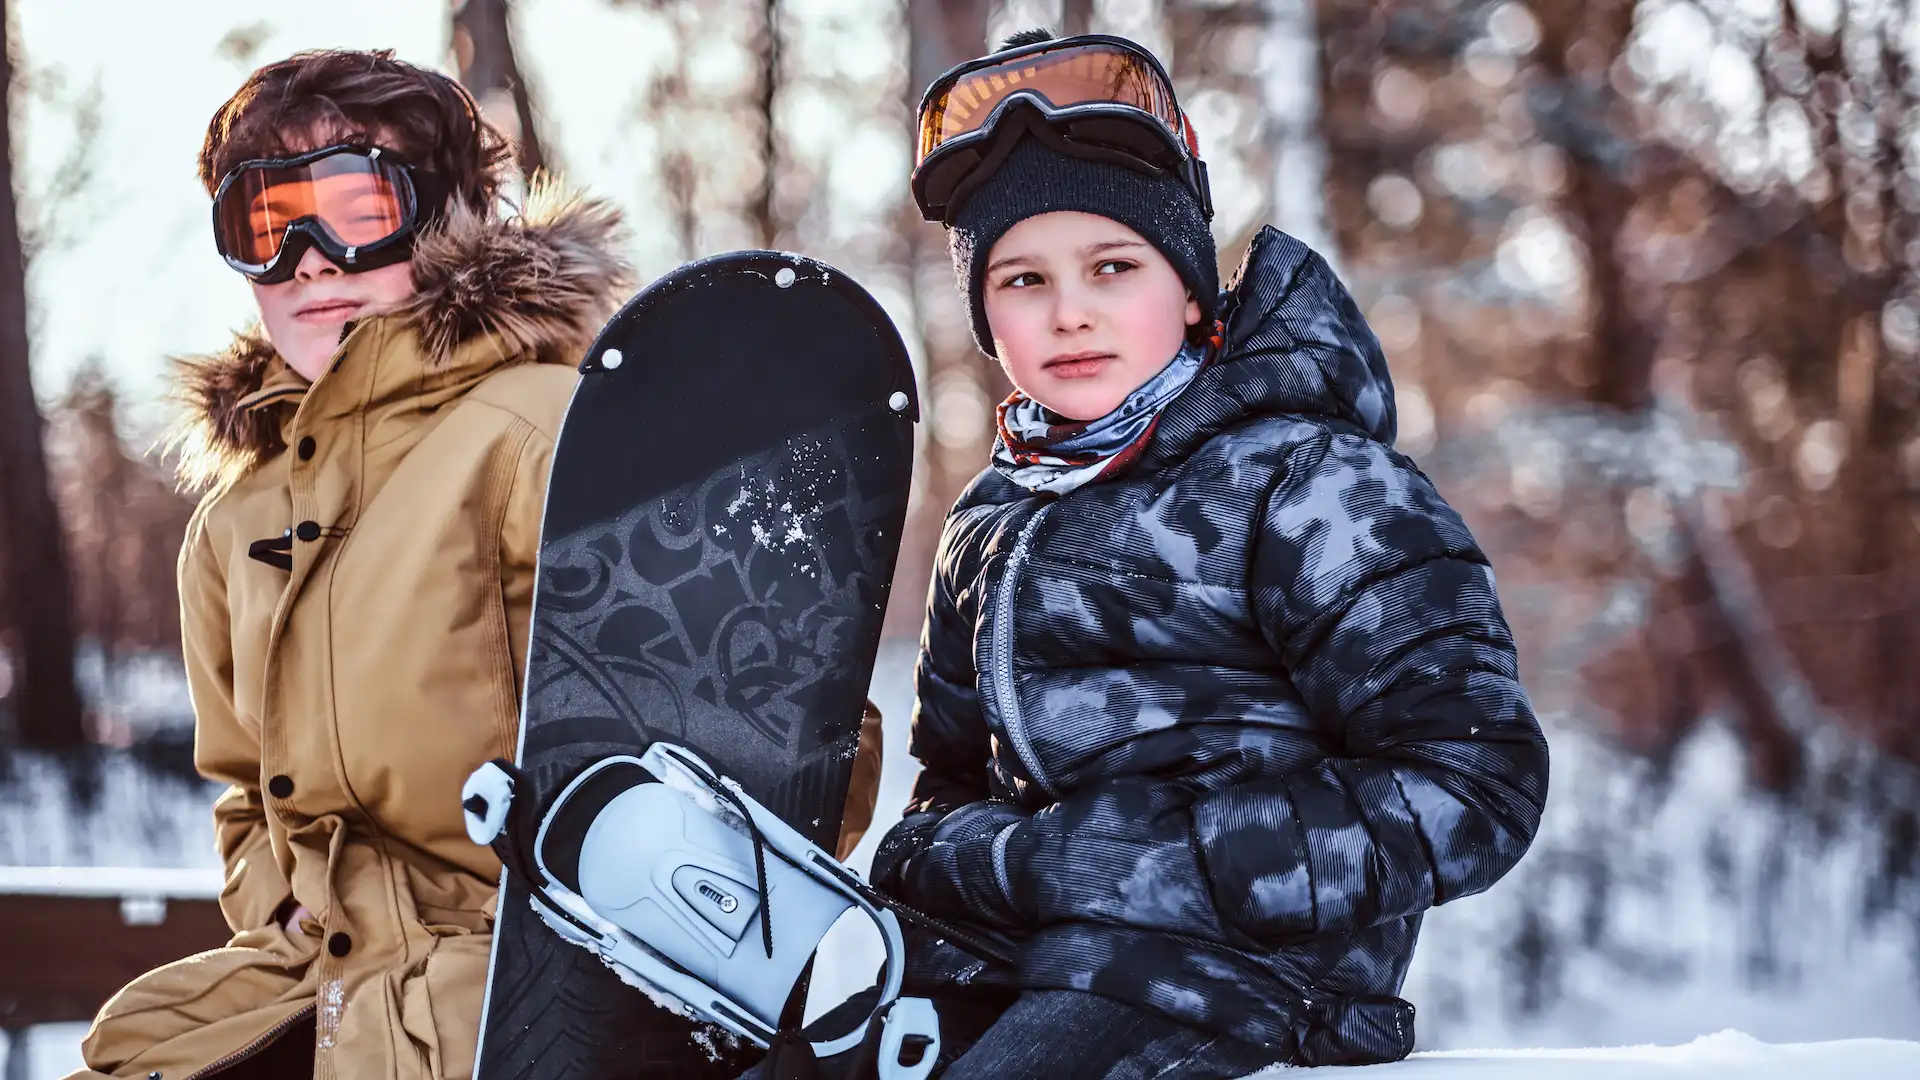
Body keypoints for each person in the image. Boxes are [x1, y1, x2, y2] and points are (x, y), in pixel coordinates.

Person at [70, 49, 883, 1080]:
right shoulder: (235, 523)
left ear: (449, 217)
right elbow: (241, 787)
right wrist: (282, 902)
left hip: (532, 994)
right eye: (266, 224)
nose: (310, 260)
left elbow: (799, 738)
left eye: (355, 208)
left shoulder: (551, 436)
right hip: (314, 984)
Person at [847, 29, 1548, 1079]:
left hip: (1243, 980)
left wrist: (1173, 864)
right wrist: (954, 857)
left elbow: (1477, 779)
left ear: (1187, 289)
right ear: (985, 314)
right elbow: (950, 781)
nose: (1069, 311)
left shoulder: (1310, 483)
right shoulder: (990, 520)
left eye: (1113, 266)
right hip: (1017, 959)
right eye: (1022, 279)